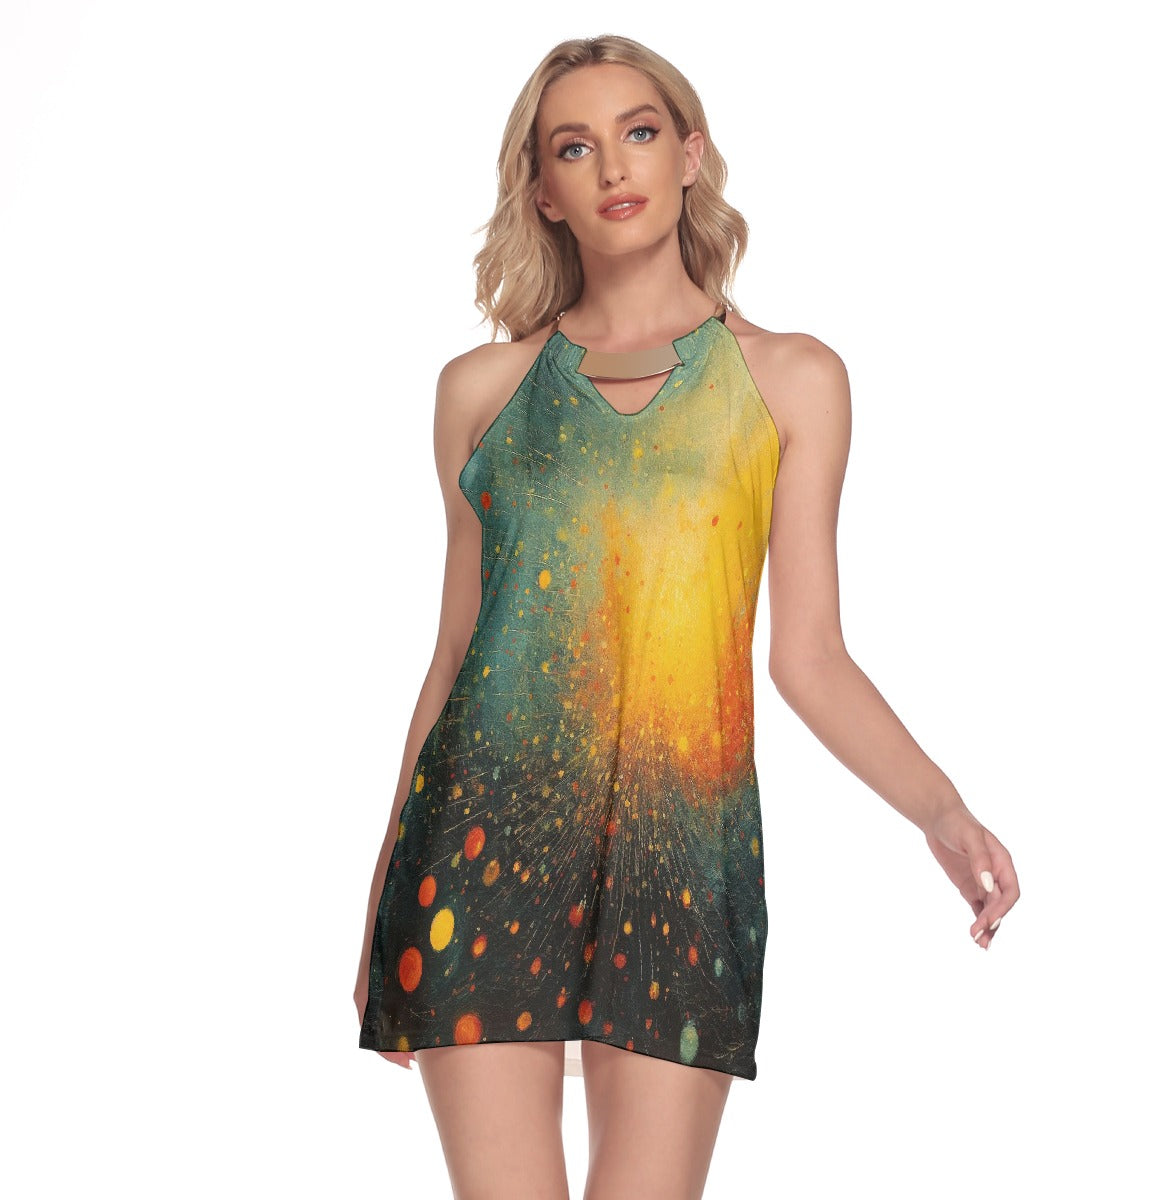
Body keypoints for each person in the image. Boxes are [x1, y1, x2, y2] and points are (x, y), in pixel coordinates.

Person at [354, 32, 1019, 1200]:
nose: (614, 165)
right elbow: (455, 658)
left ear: (691, 155)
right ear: (543, 192)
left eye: (641, 132)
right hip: (478, 856)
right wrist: (380, 898)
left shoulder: (789, 379)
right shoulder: (481, 393)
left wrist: (943, 812)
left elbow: (809, 658)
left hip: (681, 862)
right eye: (575, 147)